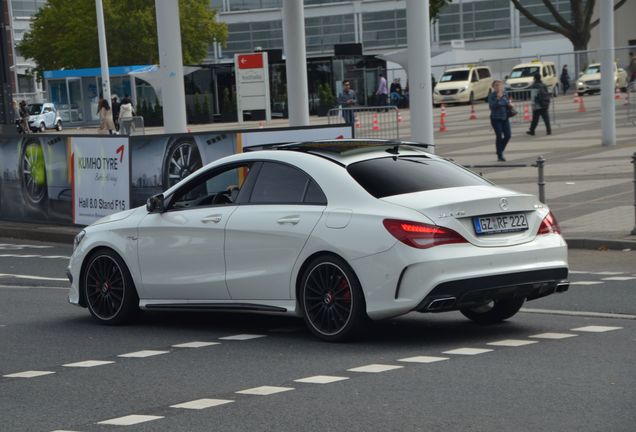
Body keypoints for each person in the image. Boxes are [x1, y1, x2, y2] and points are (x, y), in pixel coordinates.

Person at [488, 80, 512, 162]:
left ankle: (499, 150)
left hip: (505, 118)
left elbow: (507, 103)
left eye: (499, 85)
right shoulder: (492, 96)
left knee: (508, 135)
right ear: (493, 87)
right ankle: (500, 155)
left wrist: (509, 105)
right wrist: (498, 99)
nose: (498, 87)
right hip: (495, 118)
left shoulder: (505, 94)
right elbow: (492, 106)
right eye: (496, 85)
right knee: (499, 136)